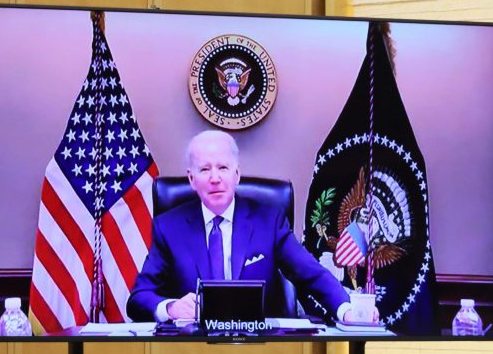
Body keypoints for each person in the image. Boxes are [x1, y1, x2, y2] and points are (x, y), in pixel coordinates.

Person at [127, 130, 366, 325]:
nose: (215, 178)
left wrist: (346, 310)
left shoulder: (268, 221)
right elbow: (139, 299)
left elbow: (311, 273)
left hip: (260, 352)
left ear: (237, 175)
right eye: (204, 169)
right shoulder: (170, 228)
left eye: (222, 168)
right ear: (191, 179)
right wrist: (170, 308)